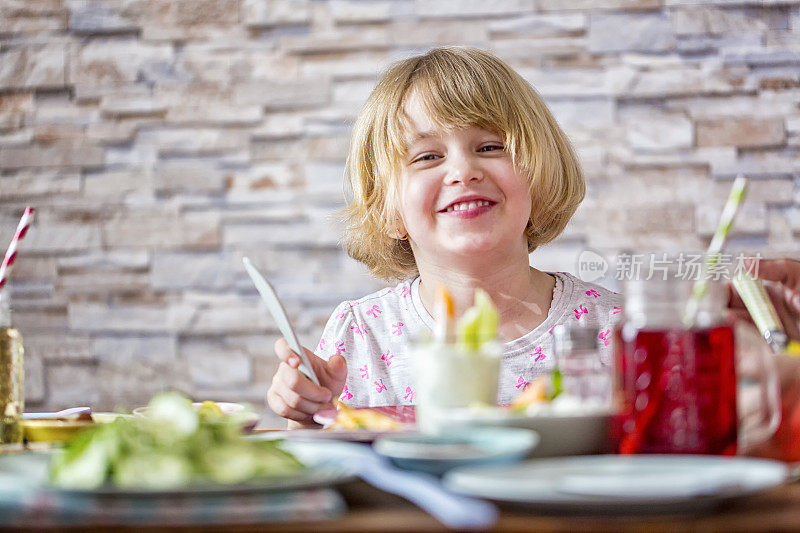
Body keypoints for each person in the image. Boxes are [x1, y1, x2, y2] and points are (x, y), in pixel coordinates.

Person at [267, 47, 621, 428]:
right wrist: (307, 416)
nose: (463, 171)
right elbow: (328, 473)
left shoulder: (615, 331)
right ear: (388, 211)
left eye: (490, 147)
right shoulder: (361, 335)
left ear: (539, 176)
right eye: (427, 157)